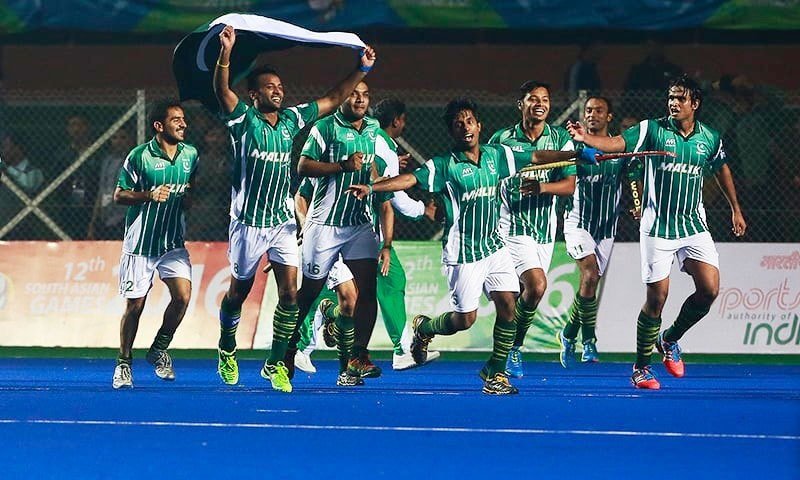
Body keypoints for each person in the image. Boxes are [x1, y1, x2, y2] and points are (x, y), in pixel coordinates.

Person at [347, 98, 599, 395]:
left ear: (479, 126)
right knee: (464, 319)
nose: (465, 127)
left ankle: (496, 372)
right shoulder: (444, 165)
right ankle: (424, 329)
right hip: (462, 253)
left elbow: (537, 156)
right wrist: (372, 187)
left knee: (508, 304)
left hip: (494, 246)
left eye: (469, 121)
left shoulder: (498, 155)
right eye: (458, 124)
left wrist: (575, 154)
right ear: (452, 132)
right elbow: (408, 179)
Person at [212, 24, 376, 392]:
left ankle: (276, 363)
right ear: (254, 94)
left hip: (282, 222)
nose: (278, 90)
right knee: (238, 293)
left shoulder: (291, 120)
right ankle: (226, 345)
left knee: (289, 294)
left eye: (280, 86)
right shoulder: (243, 121)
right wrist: (226, 52)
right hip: (247, 224)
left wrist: (361, 69)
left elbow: (332, 98)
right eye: (270, 87)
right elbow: (222, 90)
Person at [567, 74, 746, 389]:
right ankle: (641, 368)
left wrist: (736, 208)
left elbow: (721, 168)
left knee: (709, 290)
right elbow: (618, 143)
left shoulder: (709, 137)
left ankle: (669, 338)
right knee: (657, 298)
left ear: (695, 103)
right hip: (657, 227)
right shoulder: (652, 129)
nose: (674, 103)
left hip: (693, 224)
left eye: (680, 98)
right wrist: (588, 139)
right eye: (671, 97)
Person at [294, 80, 395, 386]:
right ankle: (283, 353)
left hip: (359, 224)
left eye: (366, 95)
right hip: (324, 226)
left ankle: (357, 357)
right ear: (343, 98)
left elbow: (372, 174)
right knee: (309, 293)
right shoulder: (324, 127)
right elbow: (302, 167)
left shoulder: (374, 129)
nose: (360, 99)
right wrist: (342, 166)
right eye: (354, 94)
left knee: (365, 291)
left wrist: (374, 183)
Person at [487, 81, 577, 378]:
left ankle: (506, 350)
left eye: (545, 99)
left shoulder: (560, 139)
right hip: (510, 225)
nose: (540, 104)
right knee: (536, 285)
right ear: (521, 104)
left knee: (522, 296)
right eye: (533, 98)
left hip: (544, 230)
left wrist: (542, 188)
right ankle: (513, 349)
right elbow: (488, 176)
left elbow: (570, 185)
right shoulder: (502, 138)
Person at [111, 100, 199, 389]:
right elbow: (119, 195)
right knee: (135, 306)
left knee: (182, 296)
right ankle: (124, 363)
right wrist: (148, 195)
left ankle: (158, 349)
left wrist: (188, 199)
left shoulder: (191, 154)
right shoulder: (139, 156)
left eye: (183, 119)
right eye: (176, 119)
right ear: (159, 126)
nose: (183, 124)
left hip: (172, 243)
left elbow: (190, 187)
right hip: (141, 244)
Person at [559, 96, 641, 366]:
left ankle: (567, 333)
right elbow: (562, 176)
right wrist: (576, 155)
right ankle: (589, 340)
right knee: (590, 274)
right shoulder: (574, 147)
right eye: (588, 110)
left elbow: (633, 178)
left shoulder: (619, 147)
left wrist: (638, 203)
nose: (592, 114)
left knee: (589, 284)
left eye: (599, 110)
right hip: (578, 223)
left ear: (609, 117)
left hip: (606, 228)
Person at [88, 128, 133, 240]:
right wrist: (93, 222)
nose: (118, 141)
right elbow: (101, 190)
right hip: (106, 214)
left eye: (123, 138)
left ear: (130, 140)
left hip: (125, 216)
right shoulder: (107, 161)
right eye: (114, 138)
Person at [0, 133, 45, 239]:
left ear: (18, 148)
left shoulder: (35, 171)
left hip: (27, 229)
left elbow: (28, 185)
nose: (3, 151)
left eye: (6, 147)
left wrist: (6, 169)